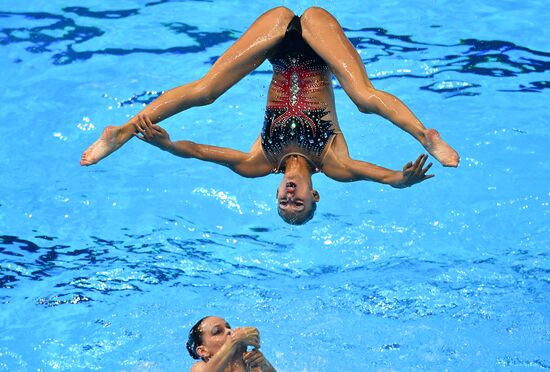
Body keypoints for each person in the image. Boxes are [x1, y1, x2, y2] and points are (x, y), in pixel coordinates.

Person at [81, 7, 459, 224]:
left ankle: (123, 131)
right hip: (318, 38)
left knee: (207, 91)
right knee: (362, 96)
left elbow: (199, 151)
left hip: (275, 38)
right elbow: (386, 177)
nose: (290, 196)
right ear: (316, 195)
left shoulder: (258, 162)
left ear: (277, 193)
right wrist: (402, 180)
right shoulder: (334, 164)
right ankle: (426, 135)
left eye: (284, 202)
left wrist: (167, 145)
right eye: (299, 202)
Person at [186, 316, 276, 372]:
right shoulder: (200, 367)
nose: (229, 331)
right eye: (217, 331)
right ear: (203, 351)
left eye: (228, 327)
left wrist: (265, 365)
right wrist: (233, 340)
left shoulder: (252, 367)